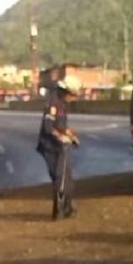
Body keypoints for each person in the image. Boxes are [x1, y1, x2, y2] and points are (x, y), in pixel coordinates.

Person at [36, 79, 80, 221]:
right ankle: (59, 211)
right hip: (50, 146)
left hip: (60, 146)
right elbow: (48, 128)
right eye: (73, 94)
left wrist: (71, 135)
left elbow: (61, 125)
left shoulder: (63, 104)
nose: (74, 98)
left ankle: (68, 207)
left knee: (67, 177)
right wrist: (61, 138)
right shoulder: (53, 104)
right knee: (59, 178)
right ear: (66, 92)